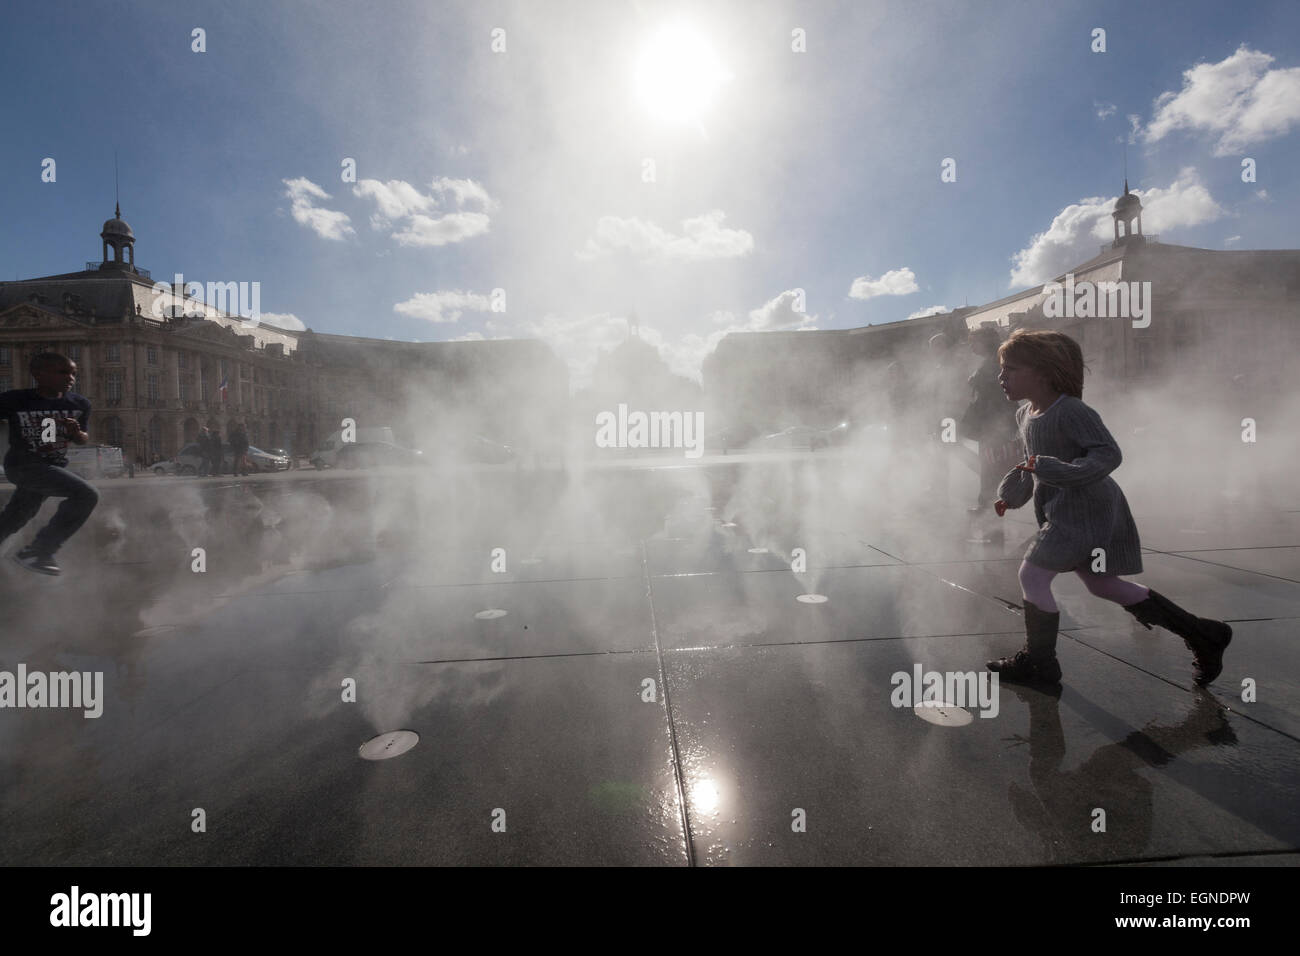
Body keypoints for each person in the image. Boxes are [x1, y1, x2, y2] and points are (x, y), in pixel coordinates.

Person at [987, 329, 1232, 685]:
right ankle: (1203, 634)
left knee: (1033, 574)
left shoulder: (1071, 410)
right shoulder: (1025, 415)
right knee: (1101, 583)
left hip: (1087, 506)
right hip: (1063, 506)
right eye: (1002, 369)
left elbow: (1108, 453)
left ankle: (1040, 664)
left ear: (1042, 372)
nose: (1001, 376)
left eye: (1010, 368)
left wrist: (1064, 471)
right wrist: (1010, 495)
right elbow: (1032, 463)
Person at [0, 352, 99, 575]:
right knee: (86, 495)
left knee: (17, 516)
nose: (70, 378)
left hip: (50, 467)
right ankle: (39, 551)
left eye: (73, 373)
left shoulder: (79, 404)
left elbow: (82, 440)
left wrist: (76, 431)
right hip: (23, 466)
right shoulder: (16, 400)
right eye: (63, 372)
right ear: (38, 374)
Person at [961, 327, 1020, 523]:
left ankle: (991, 503)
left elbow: (998, 392)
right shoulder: (993, 361)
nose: (971, 346)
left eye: (974, 342)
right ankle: (992, 501)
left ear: (985, 342)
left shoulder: (996, 362)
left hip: (995, 420)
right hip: (991, 419)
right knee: (990, 461)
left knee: (992, 462)